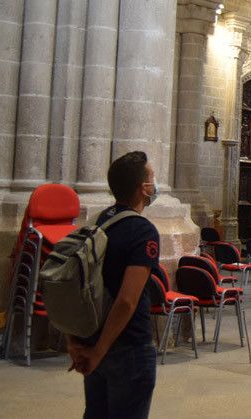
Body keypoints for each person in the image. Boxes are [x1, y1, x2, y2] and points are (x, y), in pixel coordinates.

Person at [68, 151, 161, 419]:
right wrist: (99, 352)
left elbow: (72, 284)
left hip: (93, 336)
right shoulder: (143, 231)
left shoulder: (98, 222)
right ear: (144, 188)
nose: (155, 184)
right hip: (128, 346)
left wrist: (74, 341)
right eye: (152, 178)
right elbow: (127, 301)